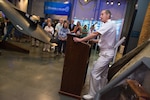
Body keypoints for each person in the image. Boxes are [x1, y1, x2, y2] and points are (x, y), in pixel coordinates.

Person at [73, 10, 116, 99]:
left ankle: (92, 94)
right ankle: (101, 92)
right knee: (103, 75)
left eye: (102, 14)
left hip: (106, 54)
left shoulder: (109, 24)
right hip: (105, 52)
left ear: (108, 15)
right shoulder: (108, 24)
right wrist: (94, 41)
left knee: (94, 73)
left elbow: (95, 33)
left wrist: (81, 40)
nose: (100, 16)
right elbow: (103, 40)